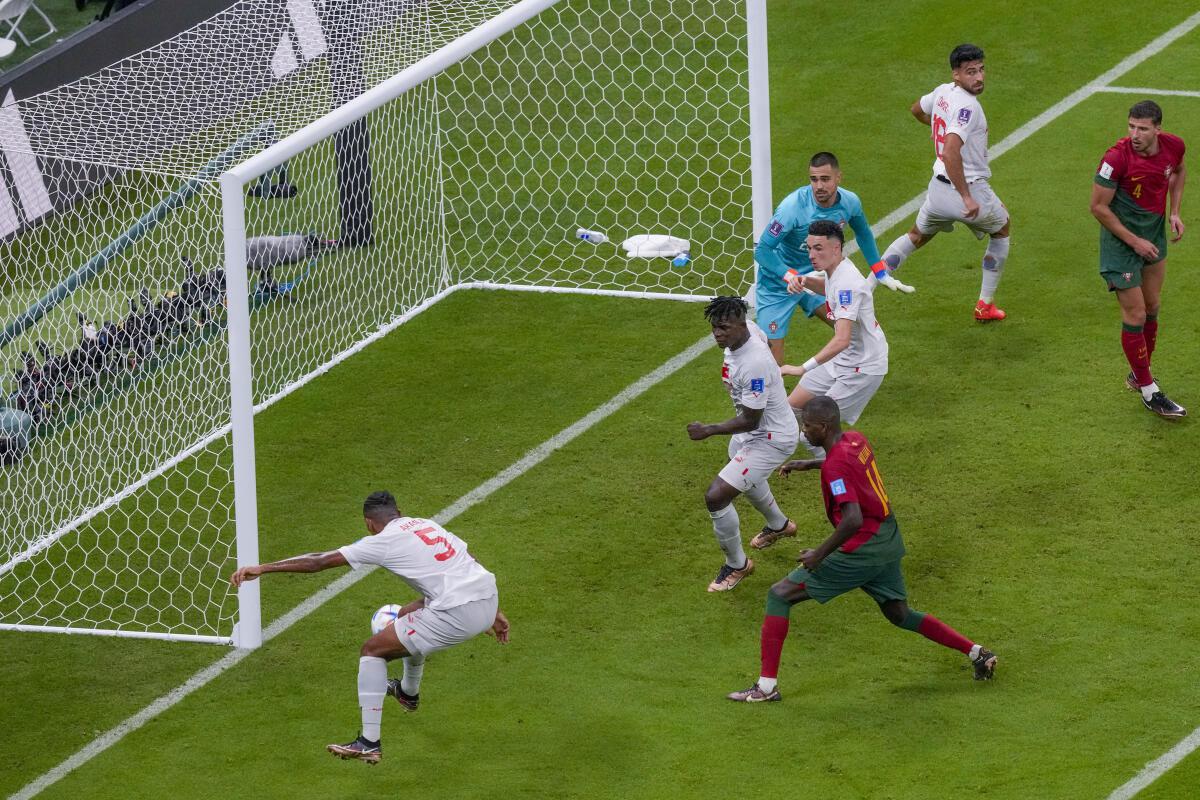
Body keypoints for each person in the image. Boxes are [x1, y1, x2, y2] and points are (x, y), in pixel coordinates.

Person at [726, 396, 997, 702]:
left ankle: (765, 687)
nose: (804, 432)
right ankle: (977, 653)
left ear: (824, 427)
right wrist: (812, 464)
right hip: (887, 537)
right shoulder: (855, 439)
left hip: (862, 548)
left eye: (809, 426)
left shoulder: (835, 468)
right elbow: (846, 466)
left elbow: (852, 518)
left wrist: (819, 554)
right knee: (899, 613)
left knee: (779, 596)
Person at [229, 491, 509, 764]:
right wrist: (492, 612)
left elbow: (319, 561)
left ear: (369, 523)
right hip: (486, 597)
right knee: (407, 616)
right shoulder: (426, 524)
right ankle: (407, 692)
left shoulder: (382, 540)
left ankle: (368, 742)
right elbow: (468, 560)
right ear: (399, 512)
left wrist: (263, 568)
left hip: (457, 612)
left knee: (373, 650)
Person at [878, 43, 1011, 322]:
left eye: (981, 70)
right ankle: (985, 305)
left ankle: (866, 286)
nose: (978, 77)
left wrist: (939, 127)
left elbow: (916, 109)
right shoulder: (969, 107)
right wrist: (966, 197)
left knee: (916, 235)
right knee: (1002, 229)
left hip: (937, 191)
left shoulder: (942, 91)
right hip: (968, 189)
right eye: (970, 72)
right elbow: (951, 151)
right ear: (957, 75)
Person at [754, 152, 911, 365]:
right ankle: (775, 399)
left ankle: (858, 375)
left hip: (821, 276)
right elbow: (762, 251)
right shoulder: (792, 209)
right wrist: (790, 275)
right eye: (813, 179)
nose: (818, 186)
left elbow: (863, 232)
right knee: (772, 357)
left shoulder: (850, 202)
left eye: (825, 179)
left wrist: (880, 272)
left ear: (838, 178)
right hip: (779, 283)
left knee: (855, 330)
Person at [687, 296, 799, 592]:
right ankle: (779, 525)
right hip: (756, 434)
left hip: (771, 438)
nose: (717, 334)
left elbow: (751, 419)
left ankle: (737, 565)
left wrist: (709, 429)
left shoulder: (754, 364)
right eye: (714, 328)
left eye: (723, 328)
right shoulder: (747, 333)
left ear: (739, 325)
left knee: (716, 496)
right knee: (742, 473)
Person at [1090, 100, 1187, 418]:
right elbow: (1098, 208)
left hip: (1154, 236)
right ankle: (1149, 391)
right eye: (1131, 126)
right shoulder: (1116, 157)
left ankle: (1137, 374)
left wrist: (1174, 212)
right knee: (1135, 313)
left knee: (1153, 307)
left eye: (1142, 128)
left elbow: (1179, 170)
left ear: (1158, 129)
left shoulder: (1173, 146)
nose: (1134, 134)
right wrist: (1135, 242)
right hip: (1122, 244)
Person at [768, 220, 886, 472]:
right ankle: (831, 463)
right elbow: (829, 286)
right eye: (809, 248)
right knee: (791, 408)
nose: (811, 255)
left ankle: (838, 470)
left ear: (836, 248)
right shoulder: (837, 270)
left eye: (818, 248)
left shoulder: (848, 284)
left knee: (814, 428)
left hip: (862, 368)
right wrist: (804, 281)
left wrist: (802, 368)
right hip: (843, 360)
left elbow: (842, 339)